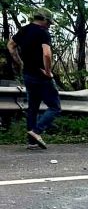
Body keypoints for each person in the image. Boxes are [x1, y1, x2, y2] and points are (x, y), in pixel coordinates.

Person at [7, 8, 61, 149]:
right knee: (55, 107)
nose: (49, 25)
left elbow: (11, 46)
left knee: (33, 108)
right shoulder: (43, 33)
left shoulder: (24, 30)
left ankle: (31, 142)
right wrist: (48, 72)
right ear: (43, 20)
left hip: (28, 74)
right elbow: (47, 54)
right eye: (48, 22)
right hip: (41, 76)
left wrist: (20, 62)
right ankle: (36, 131)